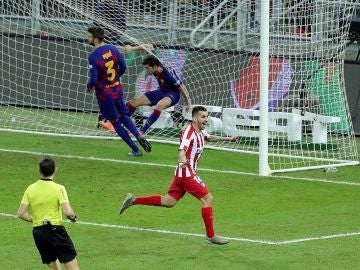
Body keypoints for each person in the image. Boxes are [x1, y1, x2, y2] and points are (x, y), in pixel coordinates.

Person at [119, 106, 238, 245]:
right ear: (195, 118)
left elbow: (209, 137)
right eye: (203, 117)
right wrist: (182, 157)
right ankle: (211, 236)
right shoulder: (189, 132)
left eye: (207, 117)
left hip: (182, 174)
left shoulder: (200, 131)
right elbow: (182, 148)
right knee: (208, 199)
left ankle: (133, 200)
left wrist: (228, 139)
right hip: (187, 173)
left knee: (168, 202)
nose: (206, 120)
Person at [87, 26, 151, 156]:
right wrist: (116, 77)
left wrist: (89, 87)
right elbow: (123, 66)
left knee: (115, 121)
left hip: (105, 94)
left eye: (89, 36)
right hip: (117, 88)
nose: (87, 38)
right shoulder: (113, 49)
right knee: (124, 116)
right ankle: (139, 136)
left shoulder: (93, 56)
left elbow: (93, 79)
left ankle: (135, 149)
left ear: (95, 39)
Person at [17, 156, 80, 270]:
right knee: (73, 268)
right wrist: (73, 217)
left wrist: (35, 219)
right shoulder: (58, 188)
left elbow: (21, 213)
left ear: (39, 170)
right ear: (55, 169)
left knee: (53, 268)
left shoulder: (30, 189)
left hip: (39, 233)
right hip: (55, 231)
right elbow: (68, 213)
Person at [126, 54, 192, 135]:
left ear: (154, 66)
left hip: (173, 94)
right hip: (161, 91)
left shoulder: (169, 75)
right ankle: (121, 123)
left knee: (159, 105)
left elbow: (182, 88)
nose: (146, 70)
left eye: (147, 68)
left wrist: (188, 103)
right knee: (134, 102)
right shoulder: (155, 63)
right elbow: (150, 47)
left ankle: (142, 131)